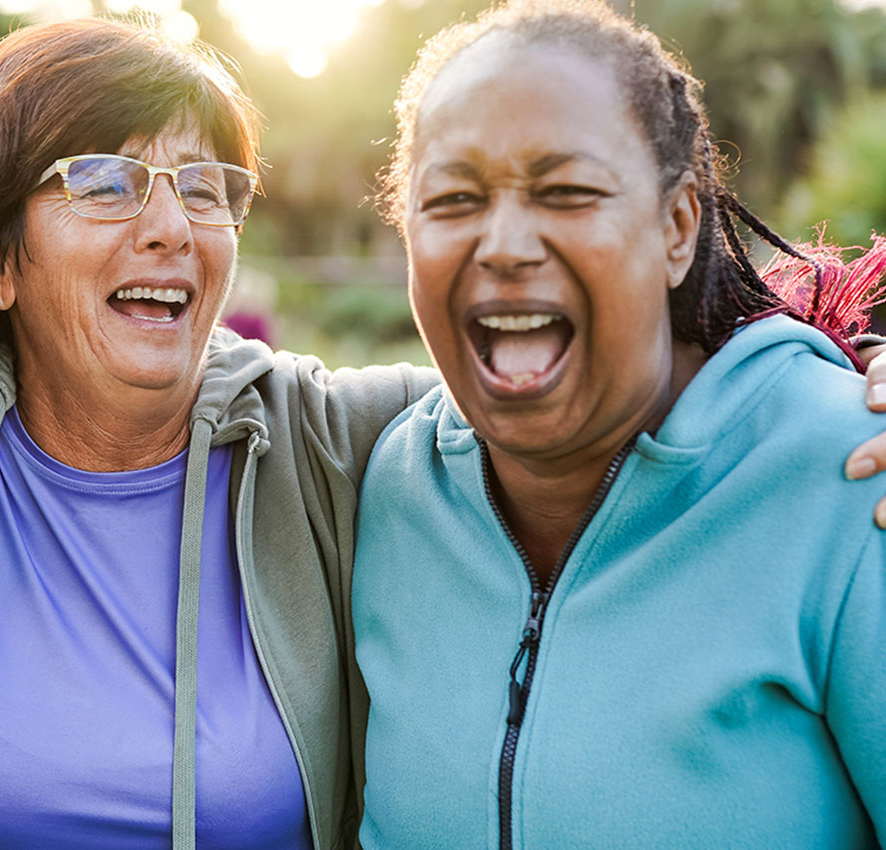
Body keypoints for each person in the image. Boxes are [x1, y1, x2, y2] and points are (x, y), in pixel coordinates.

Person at [0, 17, 886, 850]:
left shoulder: (343, 443)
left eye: (205, 186)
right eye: (100, 180)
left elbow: (603, 370)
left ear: (674, 225)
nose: (168, 223)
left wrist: (846, 357)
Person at [352, 1, 886, 847]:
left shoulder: (851, 480)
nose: (504, 244)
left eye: (566, 191)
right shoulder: (389, 481)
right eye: (452, 198)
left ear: (677, 228)